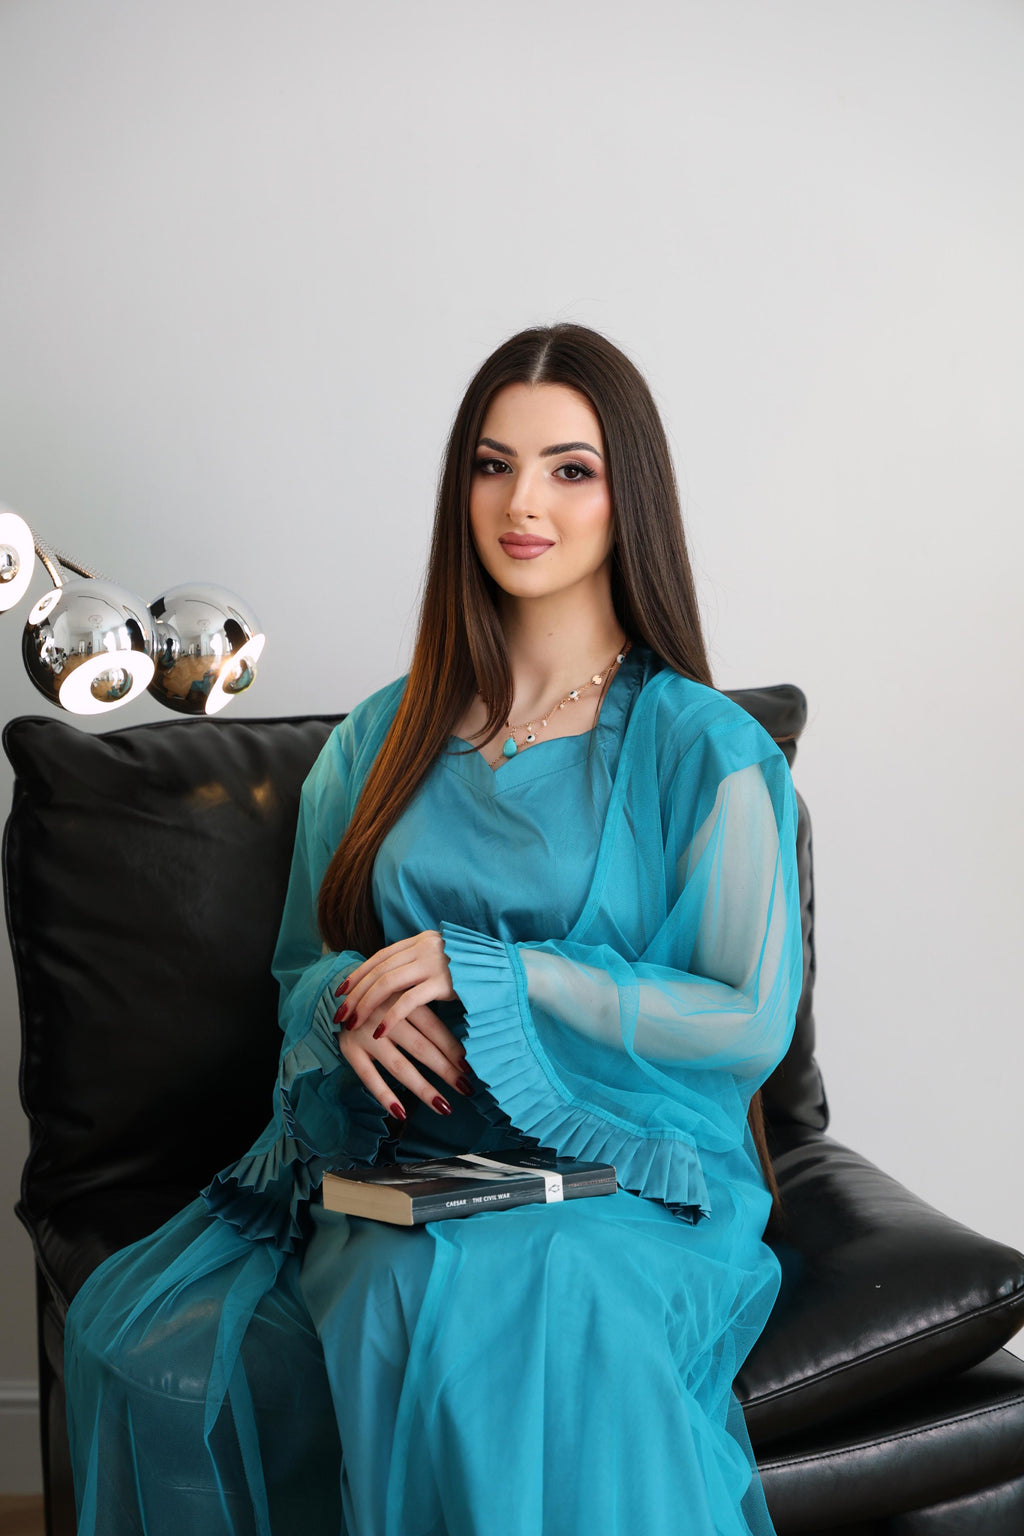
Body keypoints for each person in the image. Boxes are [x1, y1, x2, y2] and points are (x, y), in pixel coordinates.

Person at [65, 323, 803, 1536]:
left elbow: (741, 1015)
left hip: (627, 1175)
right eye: (490, 464)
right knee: (143, 1338)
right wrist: (346, 1011)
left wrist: (501, 973)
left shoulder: (702, 749)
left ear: (632, 497)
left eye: (570, 468)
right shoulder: (380, 737)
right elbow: (304, 965)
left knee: (517, 1300)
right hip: (408, 1159)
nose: (524, 503)